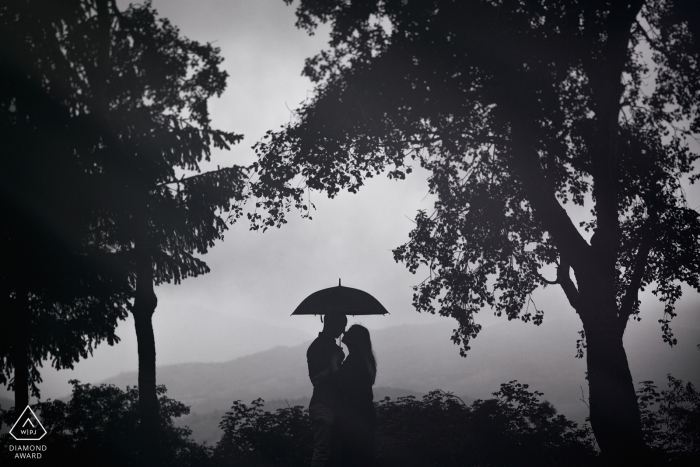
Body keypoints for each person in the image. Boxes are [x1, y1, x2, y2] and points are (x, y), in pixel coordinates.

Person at [307, 312, 347, 467]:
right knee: (322, 454)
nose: (343, 330)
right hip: (323, 405)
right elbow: (315, 379)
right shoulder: (317, 347)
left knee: (330, 454)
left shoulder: (328, 346)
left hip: (329, 405)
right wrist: (333, 363)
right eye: (342, 325)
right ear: (332, 323)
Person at [336, 324, 377, 467]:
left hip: (354, 417)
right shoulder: (365, 359)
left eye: (349, 332)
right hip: (365, 415)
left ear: (355, 339)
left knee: (352, 456)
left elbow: (340, 383)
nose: (344, 332)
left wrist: (335, 363)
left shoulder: (354, 361)